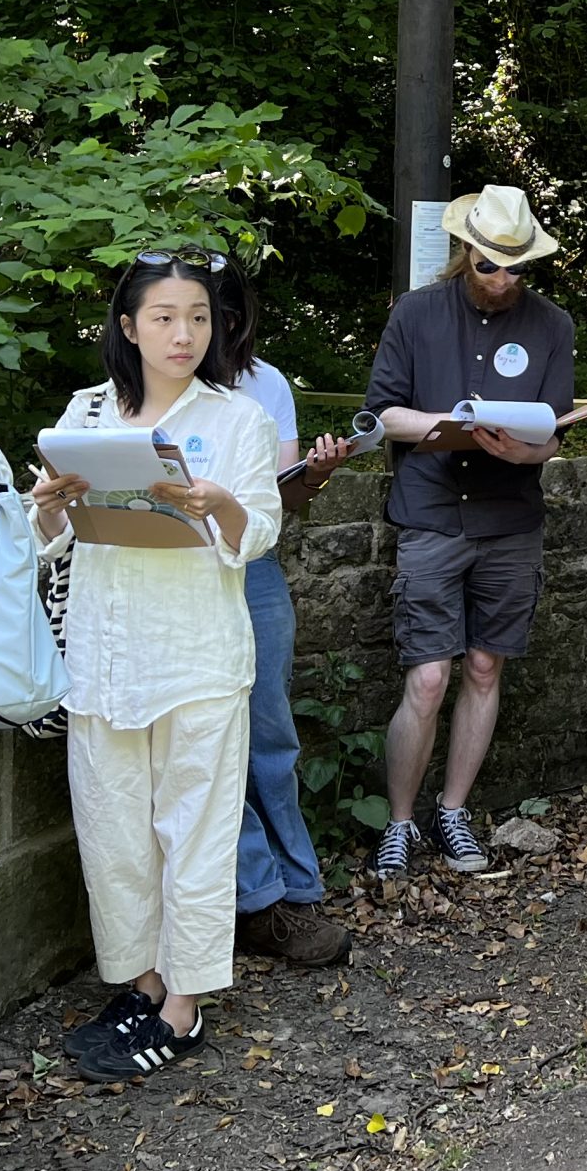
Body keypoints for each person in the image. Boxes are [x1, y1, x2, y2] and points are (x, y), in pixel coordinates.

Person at [30, 252, 280, 1083]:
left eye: (198, 317)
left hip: (197, 655)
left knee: (195, 834)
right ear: (128, 327)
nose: (184, 334)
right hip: (104, 654)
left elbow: (260, 532)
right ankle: (141, 983)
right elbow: (51, 540)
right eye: (165, 317)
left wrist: (220, 502)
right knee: (114, 833)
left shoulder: (237, 417)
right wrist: (49, 509)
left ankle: (184, 1005)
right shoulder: (86, 413)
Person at [362, 185, 576, 881]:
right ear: (465, 252)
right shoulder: (416, 312)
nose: (502, 279)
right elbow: (383, 415)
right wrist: (447, 426)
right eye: (489, 265)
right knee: (428, 677)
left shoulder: (553, 325)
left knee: (485, 667)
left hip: (509, 517)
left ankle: (452, 812)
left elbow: (554, 434)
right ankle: (399, 823)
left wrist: (524, 451)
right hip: (430, 511)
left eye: (516, 267)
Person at [214, 260, 353, 967]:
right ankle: (258, 897)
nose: (204, 331)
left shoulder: (264, 383)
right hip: (180, 573)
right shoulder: (136, 393)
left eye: (222, 316)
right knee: (212, 737)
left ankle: (297, 888)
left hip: (255, 570)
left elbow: (281, 501)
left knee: (270, 731)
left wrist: (316, 476)